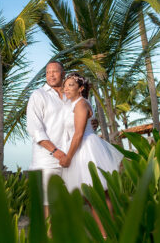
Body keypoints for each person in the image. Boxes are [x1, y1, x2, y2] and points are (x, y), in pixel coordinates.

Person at [60, 72, 123, 238]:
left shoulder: (80, 104)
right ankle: (107, 232)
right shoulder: (72, 104)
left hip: (86, 149)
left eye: (71, 85)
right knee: (92, 197)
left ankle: (107, 233)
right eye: (65, 85)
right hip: (79, 149)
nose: (66, 88)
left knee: (99, 195)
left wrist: (68, 158)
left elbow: (79, 134)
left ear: (80, 88)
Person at [26, 61, 68, 219]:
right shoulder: (38, 95)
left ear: (63, 73)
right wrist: (55, 151)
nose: (51, 75)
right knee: (47, 203)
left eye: (55, 71)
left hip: (70, 157)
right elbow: (35, 129)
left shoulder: (71, 94)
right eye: (48, 72)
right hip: (47, 159)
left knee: (68, 202)